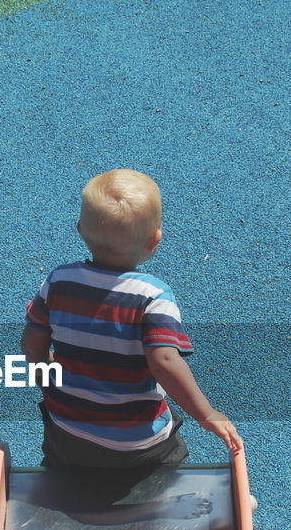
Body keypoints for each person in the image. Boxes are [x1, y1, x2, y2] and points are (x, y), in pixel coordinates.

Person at [21, 168, 243, 471]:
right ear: (155, 240)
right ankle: (161, 491)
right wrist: (207, 414)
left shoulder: (59, 281)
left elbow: (33, 343)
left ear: (80, 229)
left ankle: (64, 479)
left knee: (63, 430)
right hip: (137, 447)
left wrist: (43, 372)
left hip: (67, 432)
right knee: (166, 438)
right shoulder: (153, 296)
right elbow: (164, 362)